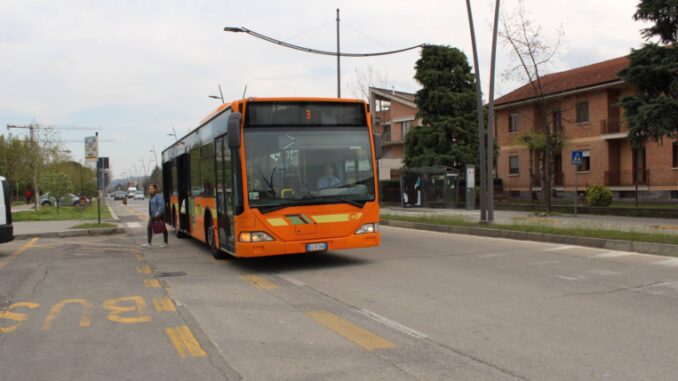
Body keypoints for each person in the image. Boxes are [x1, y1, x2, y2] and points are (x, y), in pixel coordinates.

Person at [141, 184, 167, 248]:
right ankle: (149, 243)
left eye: (152, 188)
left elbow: (161, 205)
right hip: (153, 215)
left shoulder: (158, 196)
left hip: (159, 215)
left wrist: (158, 213)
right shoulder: (152, 196)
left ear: (155, 189)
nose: (150, 190)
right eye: (149, 189)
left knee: (163, 228)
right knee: (149, 227)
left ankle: (165, 242)